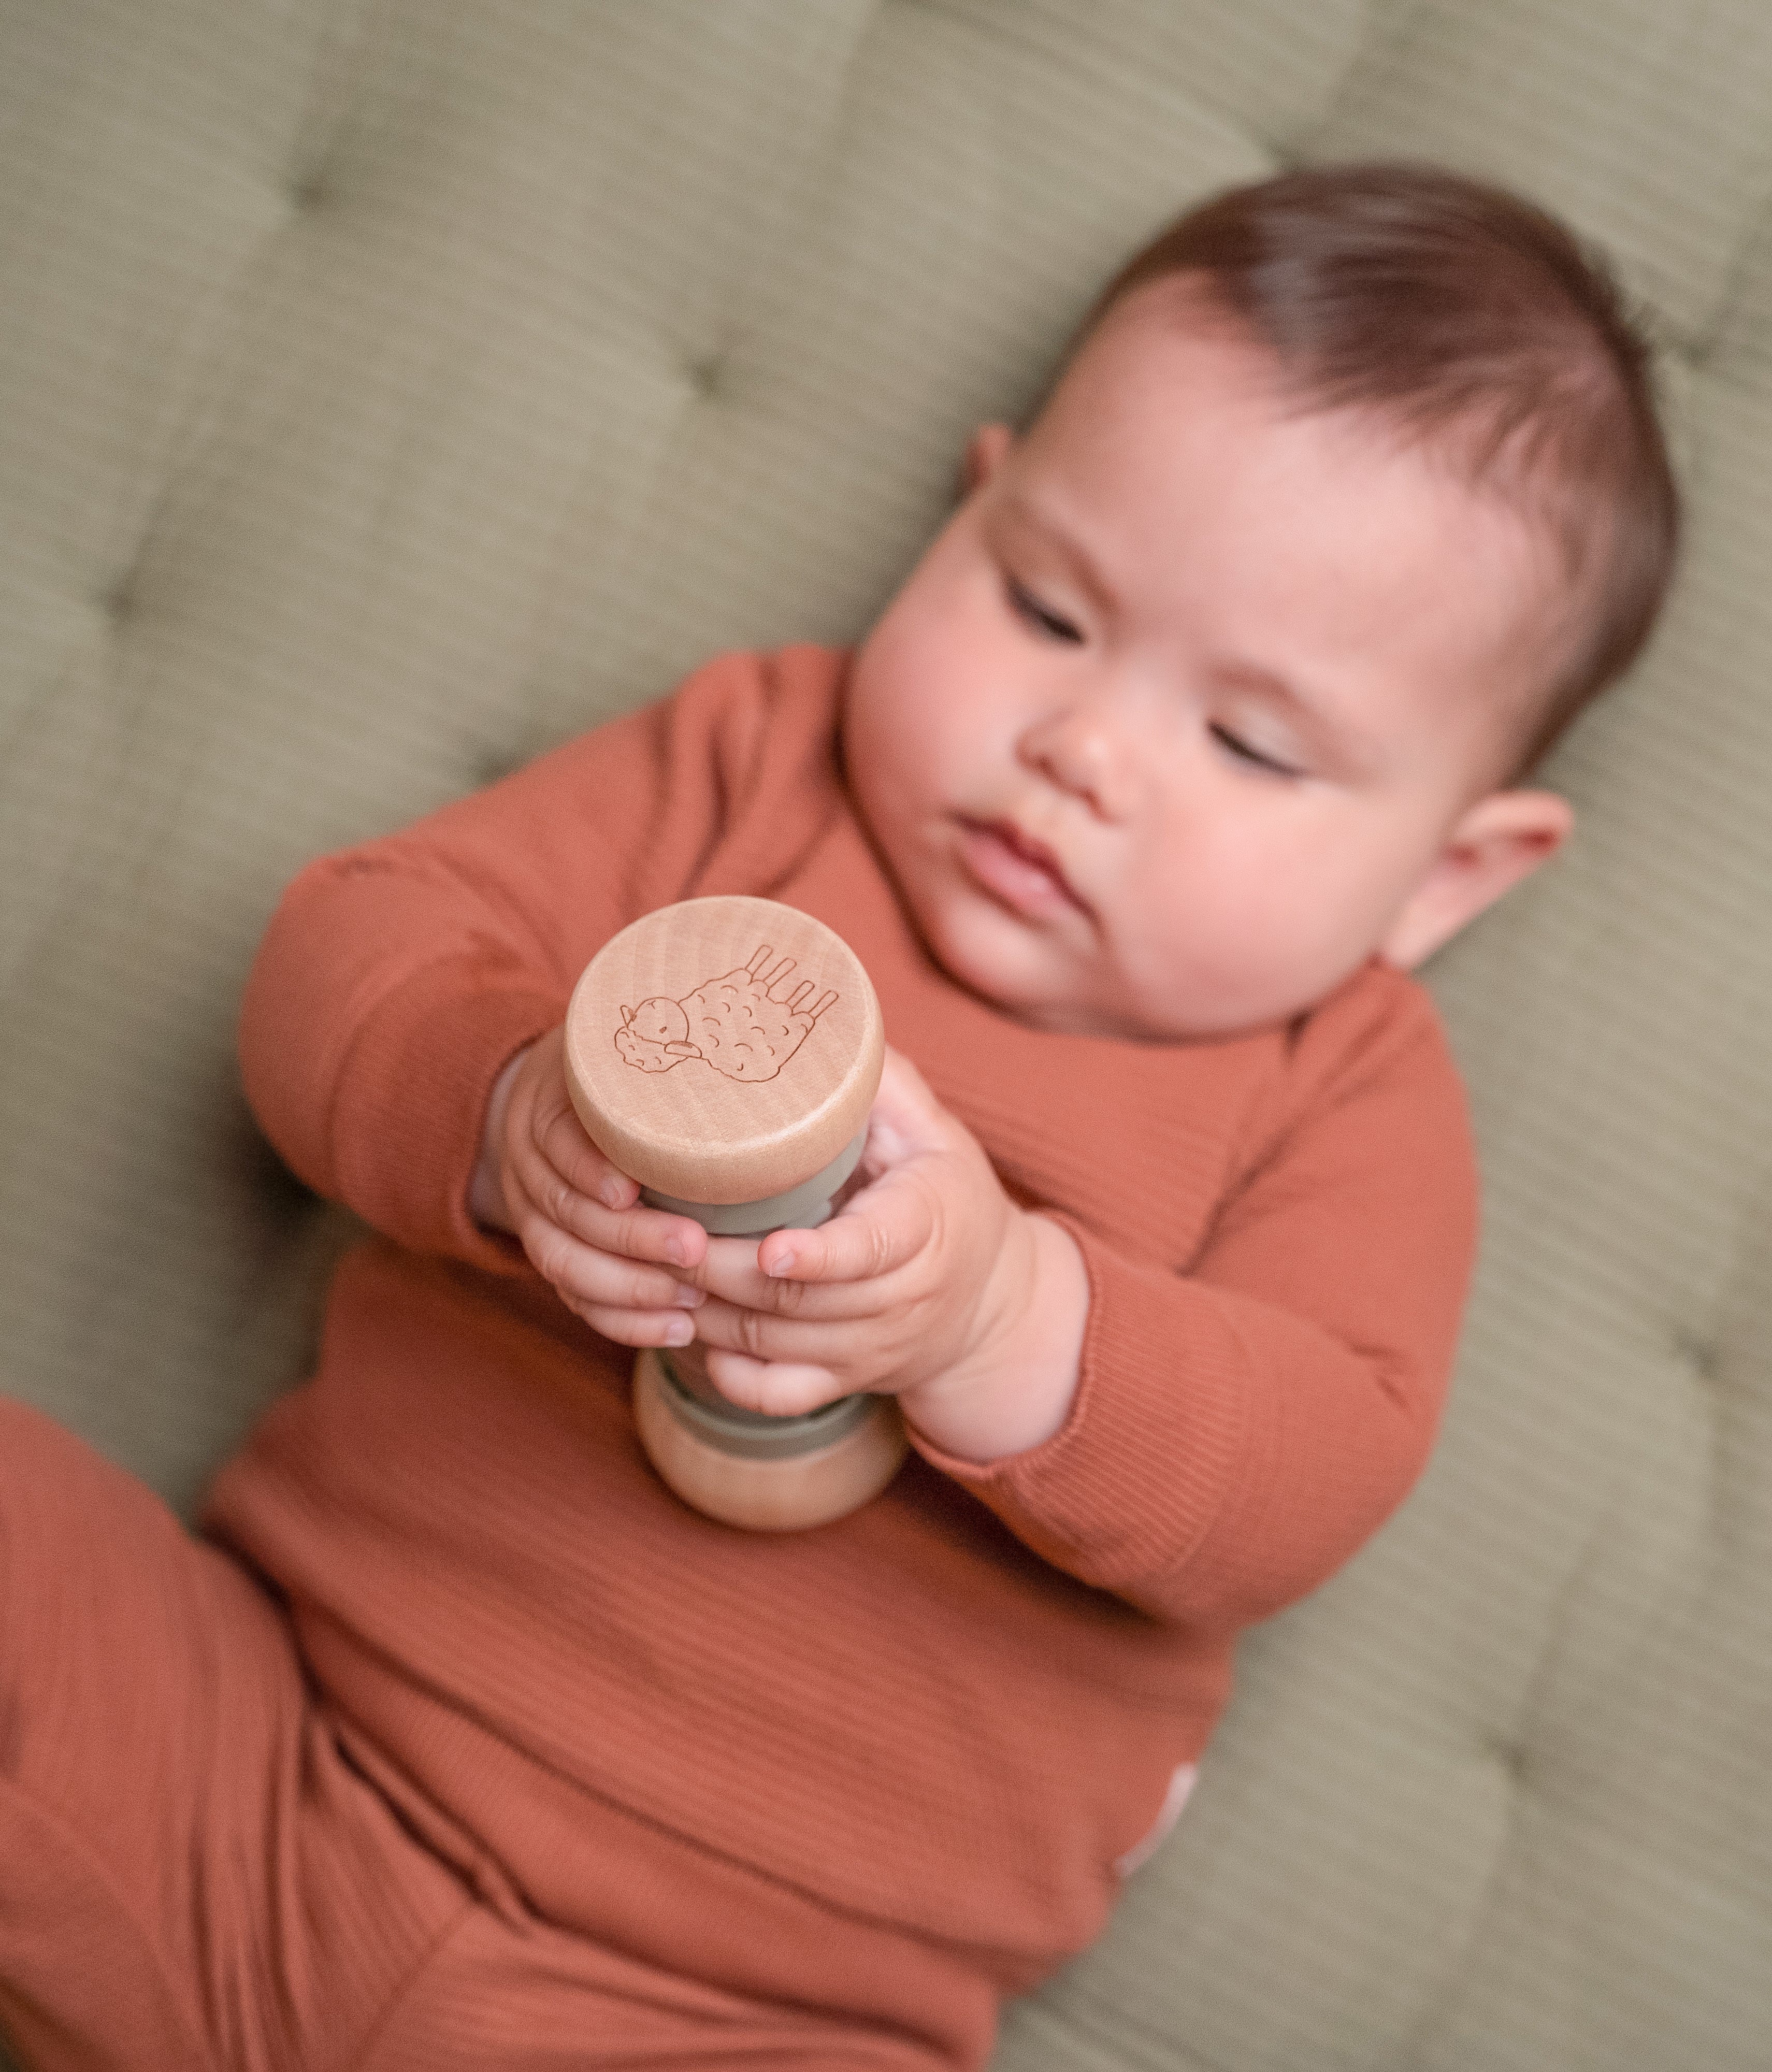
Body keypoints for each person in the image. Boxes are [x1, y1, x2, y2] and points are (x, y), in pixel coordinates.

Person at [0, 164, 1677, 2069]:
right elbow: (350, 949)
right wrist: (506, 1100)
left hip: (759, 2011)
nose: (1086, 749)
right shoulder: (750, 765)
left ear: (1449, 873)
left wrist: (1003, 1322)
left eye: (1250, 743)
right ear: (970, 509)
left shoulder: (1346, 1090)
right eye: (1045, 606)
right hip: (264, 1755)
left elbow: (1312, 1466)